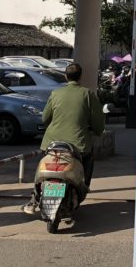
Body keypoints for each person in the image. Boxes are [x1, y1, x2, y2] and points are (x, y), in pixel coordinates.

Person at [36, 63, 104, 202]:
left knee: (44, 163)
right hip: (78, 144)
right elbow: (97, 122)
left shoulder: (55, 93)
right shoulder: (87, 94)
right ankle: (83, 187)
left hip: (52, 142)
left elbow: (45, 118)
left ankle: (35, 193)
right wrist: (98, 131)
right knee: (88, 159)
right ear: (80, 77)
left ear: (65, 76)